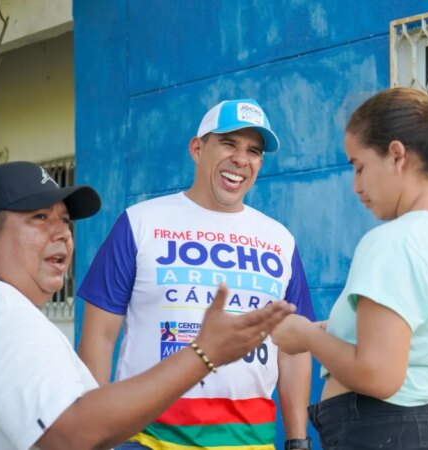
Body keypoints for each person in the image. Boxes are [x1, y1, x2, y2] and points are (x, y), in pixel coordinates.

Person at [0, 161, 293, 450]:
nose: (62, 232)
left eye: (65, 220)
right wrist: (204, 354)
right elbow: (72, 435)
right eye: (39, 218)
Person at [77, 99, 315, 450]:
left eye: (253, 150)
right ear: (197, 148)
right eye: (229, 144)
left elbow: (294, 349)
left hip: (250, 443)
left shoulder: (280, 239)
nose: (241, 159)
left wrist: (297, 441)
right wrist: (90, 434)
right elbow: (99, 337)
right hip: (146, 440)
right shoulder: (140, 223)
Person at [271, 80, 428, 449]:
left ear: (396, 155)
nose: (355, 185)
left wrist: (306, 336)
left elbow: (378, 374)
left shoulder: (397, 240)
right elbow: (423, 339)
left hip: (385, 434)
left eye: (359, 166)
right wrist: (342, 328)